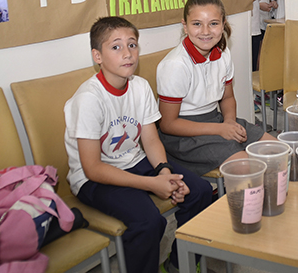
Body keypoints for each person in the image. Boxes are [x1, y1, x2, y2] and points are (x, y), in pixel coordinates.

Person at [64, 16, 211, 273]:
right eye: (116, 47)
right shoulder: (89, 98)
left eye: (132, 45)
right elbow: (92, 168)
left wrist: (164, 172)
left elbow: (151, 139)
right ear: (97, 56)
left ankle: (178, 264)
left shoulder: (140, 87)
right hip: (93, 179)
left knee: (198, 191)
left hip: (133, 161)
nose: (127, 53)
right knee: (148, 222)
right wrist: (151, 184)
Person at [157, 0, 278, 176]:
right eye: (197, 24)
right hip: (182, 135)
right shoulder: (175, 65)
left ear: (223, 25)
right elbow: (168, 124)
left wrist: (229, 122)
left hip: (216, 120)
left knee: (277, 151)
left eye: (213, 24)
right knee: (245, 165)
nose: (205, 31)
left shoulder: (223, 53)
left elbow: (228, 97)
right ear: (185, 26)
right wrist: (220, 129)